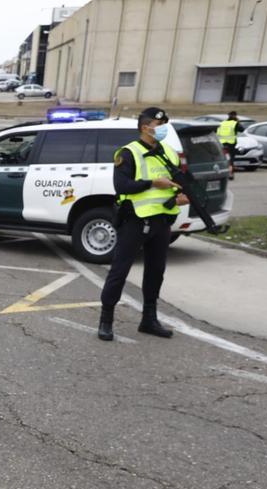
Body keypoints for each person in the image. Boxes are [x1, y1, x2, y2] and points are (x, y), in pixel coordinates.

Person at [97, 107, 188, 342]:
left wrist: (181, 194)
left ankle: (149, 319)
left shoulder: (169, 152)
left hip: (162, 220)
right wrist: (151, 184)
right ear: (145, 127)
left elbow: (178, 181)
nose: (163, 128)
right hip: (135, 221)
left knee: (156, 271)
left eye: (165, 124)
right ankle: (106, 320)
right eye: (159, 125)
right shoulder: (128, 153)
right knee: (120, 270)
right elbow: (122, 186)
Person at [217, 111, 245, 180]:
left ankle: (220, 174)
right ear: (235, 116)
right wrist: (238, 122)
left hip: (222, 144)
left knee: (221, 159)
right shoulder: (235, 123)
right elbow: (242, 129)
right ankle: (230, 174)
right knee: (230, 160)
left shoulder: (223, 123)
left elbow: (217, 131)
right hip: (231, 144)